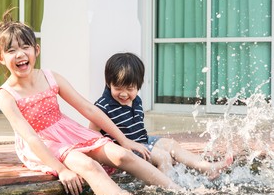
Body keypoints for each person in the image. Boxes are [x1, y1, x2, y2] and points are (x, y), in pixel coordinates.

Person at [0, 8, 180, 195]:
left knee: (123, 155)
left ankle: (177, 190)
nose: (20, 54)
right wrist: (60, 169)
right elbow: (31, 138)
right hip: (43, 143)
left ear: (36, 50)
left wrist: (124, 140)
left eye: (25, 47)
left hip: (67, 130)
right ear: (1, 58)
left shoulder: (49, 77)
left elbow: (88, 109)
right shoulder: (6, 95)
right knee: (90, 166)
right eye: (11, 51)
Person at [89, 52, 233, 180]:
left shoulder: (136, 100)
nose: (124, 94)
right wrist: (107, 155)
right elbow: (92, 134)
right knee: (163, 157)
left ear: (139, 85)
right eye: (118, 88)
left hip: (141, 141)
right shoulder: (103, 106)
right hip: (125, 149)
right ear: (108, 84)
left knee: (171, 145)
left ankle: (207, 168)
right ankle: (167, 188)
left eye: (130, 89)